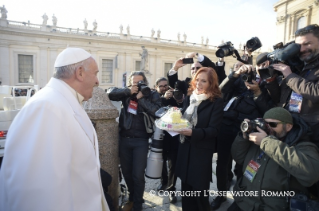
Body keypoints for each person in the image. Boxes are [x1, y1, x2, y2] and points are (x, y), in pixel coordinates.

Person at [0, 47, 109, 211]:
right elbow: (37, 195)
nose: (97, 81)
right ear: (79, 73)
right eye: (95, 73)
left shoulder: (62, 101)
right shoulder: (46, 107)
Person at [211, 51, 276, 210]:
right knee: (222, 164)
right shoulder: (239, 80)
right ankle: (221, 194)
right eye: (259, 65)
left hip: (248, 130)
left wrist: (257, 92)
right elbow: (220, 90)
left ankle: (241, 198)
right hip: (226, 127)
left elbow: (268, 111)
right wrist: (234, 74)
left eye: (264, 65)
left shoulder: (269, 83)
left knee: (244, 166)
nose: (261, 68)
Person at [229, 107, 319, 211]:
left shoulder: (302, 146)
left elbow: (311, 174)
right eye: (265, 123)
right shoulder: (257, 141)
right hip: (245, 203)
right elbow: (238, 157)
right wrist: (243, 137)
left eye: (273, 124)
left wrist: (267, 142)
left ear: (288, 126)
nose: (268, 128)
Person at [107, 71, 161, 211]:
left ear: (145, 82)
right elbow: (109, 92)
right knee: (126, 173)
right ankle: (132, 197)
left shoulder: (152, 94)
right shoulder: (126, 93)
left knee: (138, 175)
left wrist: (141, 98)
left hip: (141, 141)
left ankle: (137, 204)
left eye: (139, 82)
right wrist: (128, 91)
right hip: (124, 139)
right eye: (133, 83)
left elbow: (156, 111)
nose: (136, 85)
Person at [175, 67, 224, 211]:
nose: (199, 84)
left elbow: (214, 130)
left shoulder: (216, 101)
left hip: (201, 153)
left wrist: (192, 133)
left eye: (204, 81)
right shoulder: (191, 97)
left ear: (211, 83)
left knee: (199, 194)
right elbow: (184, 119)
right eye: (197, 80)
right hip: (185, 149)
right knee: (186, 192)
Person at [264, 24, 319, 147]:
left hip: (312, 136)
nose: (302, 49)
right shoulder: (297, 66)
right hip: (292, 130)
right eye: (299, 45)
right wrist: (271, 79)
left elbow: (316, 92)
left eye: (307, 44)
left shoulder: (291, 72)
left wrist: (289, 75)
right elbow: (279, 98)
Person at [155, 77, 182, 203]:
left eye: (166, 85)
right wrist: (163, 99)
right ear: (156, 88)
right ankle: (164, 182)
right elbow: (154, 111)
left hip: (174, 137)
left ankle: (171, 189)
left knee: (173, 165)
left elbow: (182, 109)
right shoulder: (156, 98)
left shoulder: (175, 97)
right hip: (159, 137)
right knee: (161, 163)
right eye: (161, 86)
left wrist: (174, 98)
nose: (164, 88)